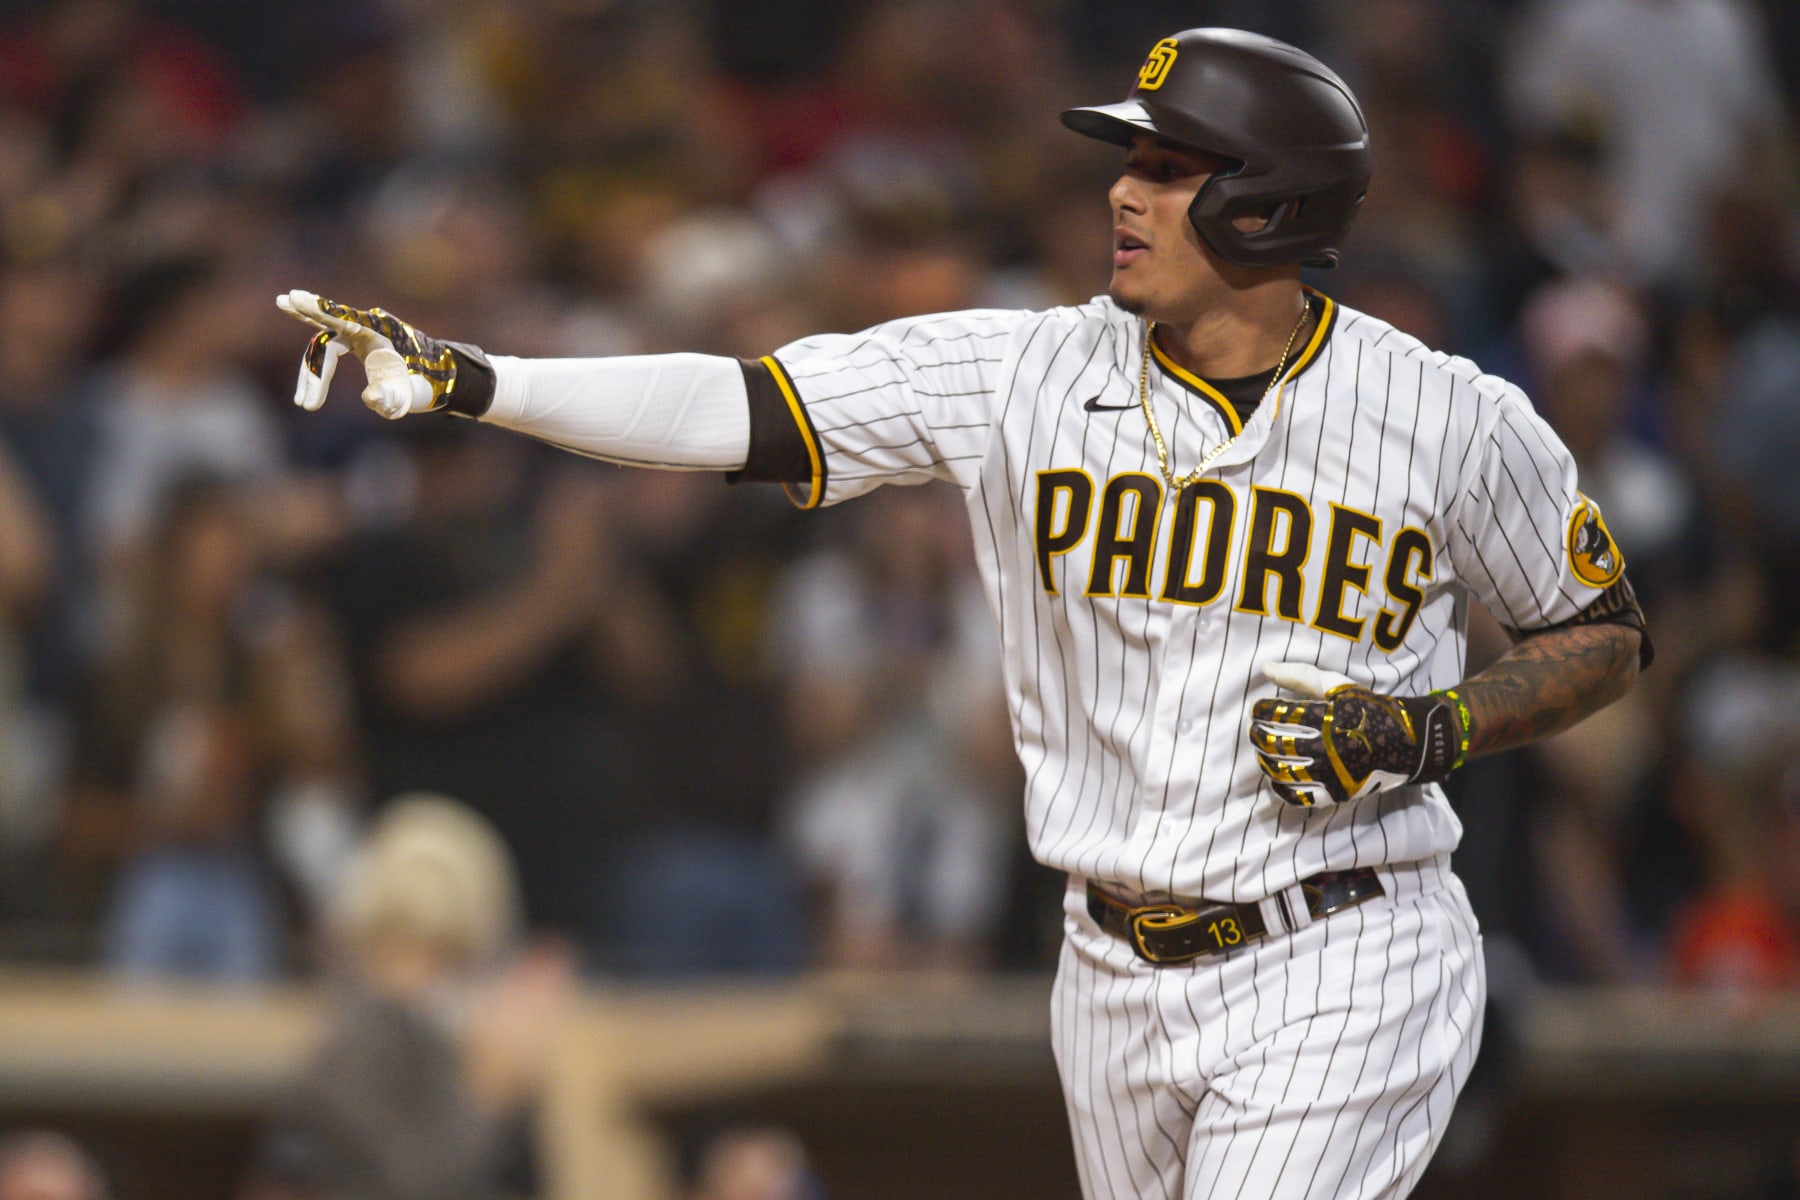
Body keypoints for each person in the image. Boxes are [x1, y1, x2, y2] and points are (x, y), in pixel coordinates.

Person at [275, 28, 1649, 1199]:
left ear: (1269, 204)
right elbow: (740, 406)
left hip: (1346, 935)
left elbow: (1599, 628)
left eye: (1167, 169)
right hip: (1108, 966)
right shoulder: (1023, 373)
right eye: (1130, 161)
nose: (1124, 191)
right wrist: (478, 381)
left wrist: (1427, 725)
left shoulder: (1447, 416)